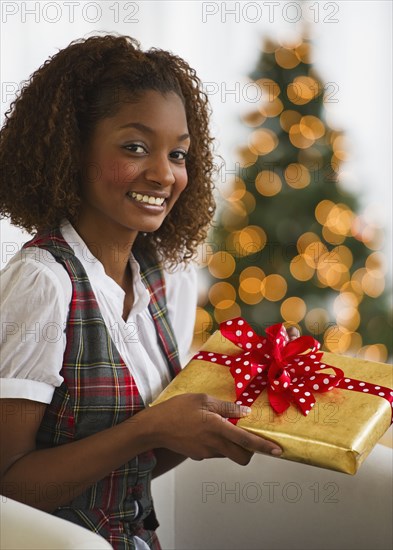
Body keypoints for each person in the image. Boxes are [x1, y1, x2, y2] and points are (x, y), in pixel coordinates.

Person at [0, 34, 292, 550]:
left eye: (178, 153)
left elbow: (138, 463)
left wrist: (234, 404)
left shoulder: (165, 281)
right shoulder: (43, 282)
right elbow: (9, 490)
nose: (164, 174)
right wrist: (149, 428)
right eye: (135, 147)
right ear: (73, 147)